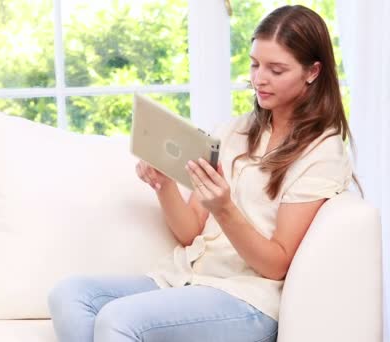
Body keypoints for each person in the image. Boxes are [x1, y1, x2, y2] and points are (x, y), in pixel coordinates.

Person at [48, 5, 357, 342]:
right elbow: (191, 230)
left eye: (276, 69)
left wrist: (225, 208)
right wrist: (163, 184)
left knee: (119, 319)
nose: (259, 78)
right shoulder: (234, 132)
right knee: (71, 295)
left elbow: (277, 264)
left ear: (312, 72)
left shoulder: (322, 153)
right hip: (188, 277)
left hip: (247, 298)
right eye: (255, 65)